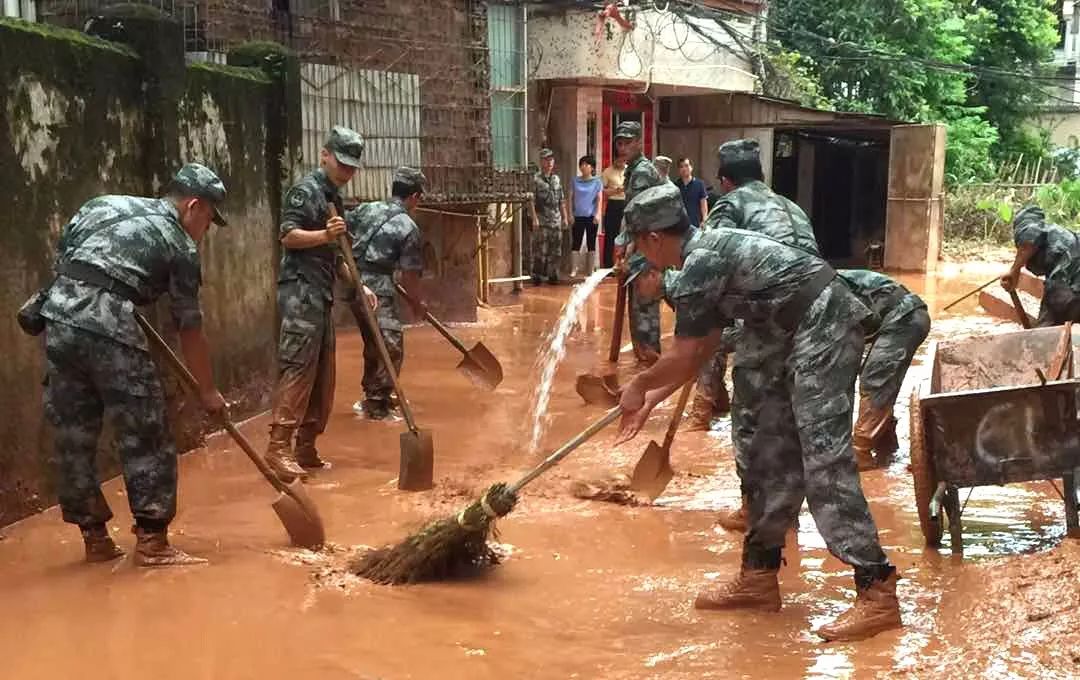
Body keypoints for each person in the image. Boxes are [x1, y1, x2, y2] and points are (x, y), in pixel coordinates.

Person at [616, 182, 900, 642]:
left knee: (823, 460)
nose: (645, 259)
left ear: (652, 238)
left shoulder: (699, 261)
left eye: (639, 246)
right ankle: (758, 578)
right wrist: (652, 396)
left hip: (824, 326)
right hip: (789, 332)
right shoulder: (703, 251)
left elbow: (687, 351)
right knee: (770, 453)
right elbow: (705, 344)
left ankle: (877, 590)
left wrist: (639, 383)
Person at [38, 163, 229, 567]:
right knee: (146, 431)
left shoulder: (102, 205)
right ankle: (153, 541)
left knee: (73, 434)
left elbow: (66, 261)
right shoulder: (180, 244)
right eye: (209, 220)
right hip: (110, 328)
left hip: (58, 320)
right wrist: (208, 391)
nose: (205, 231)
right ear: (193, 206)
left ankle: (94, 538)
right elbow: (189, 326)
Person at [704, 139, 823, 528]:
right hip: (817, 315)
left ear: (725, 181)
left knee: (751, 415)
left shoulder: (731, 204)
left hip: (770, 314)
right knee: (790, 413)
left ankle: (755, 508)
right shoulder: (792, 206)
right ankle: (788, 513)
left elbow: (709, 263)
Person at [265, 126, 373, 482]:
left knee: (323, 376)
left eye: (352, 167)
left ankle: (305, 446)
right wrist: (325, 234)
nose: (347, 172)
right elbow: (288, 236)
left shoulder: (333, 197)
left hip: (322, 293)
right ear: (324, 155)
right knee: (298, 369)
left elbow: (337, 254)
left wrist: (360, 286)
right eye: (341, 163)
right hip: (300, 293)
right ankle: (278, 448)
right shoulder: (305, 192)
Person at [346, 167, 429, 420]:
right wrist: (417, 303)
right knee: (391, 345)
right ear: (413, 196)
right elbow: (410, 275)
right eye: (420, 197)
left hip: (351, 283)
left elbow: (342, 230)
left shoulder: (367, 209)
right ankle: (377, 404)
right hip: (376, 290)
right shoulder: (408, 227)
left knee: (374, 342)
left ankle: (373, 394)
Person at [838, 270, 931, 470]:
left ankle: (860, 451)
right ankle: (886, 446)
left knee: (875, 379)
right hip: (903, 316)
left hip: (906, 317)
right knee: (875, 376)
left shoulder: (821, 292)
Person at [612, 121, 665, 363]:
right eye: (620, 143)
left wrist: (626, 246)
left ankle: (650, 366)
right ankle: (645, 364)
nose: (623, 147)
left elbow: (639, 213)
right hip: (643, 247)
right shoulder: (634, 169)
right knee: (639, 309)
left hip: (648, 250)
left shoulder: (643, 171)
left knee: (644, 310)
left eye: (628, 142)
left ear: (639, 142)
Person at [1001, 206, 1080, 326]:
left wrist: (1014, 270)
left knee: (1046, 329)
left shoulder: (1031, 227)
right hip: (1073, 282)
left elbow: (1030, 238)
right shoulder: (1061, 235)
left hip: (1068, 279)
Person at [530, 148, 570, 284]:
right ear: (541, 162)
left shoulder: (556, 179)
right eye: (546, 160)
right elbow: (531, 200)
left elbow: (561, 200)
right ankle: (537, 275)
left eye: (551, 160)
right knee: (540, 249)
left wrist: (564, 217)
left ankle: (553, 274)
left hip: (556, 219)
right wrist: (534, 218)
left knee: (556, 250)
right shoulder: (535, 179)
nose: (549, 162)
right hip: (542, 219)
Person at [570, 154, 603, 279]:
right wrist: (570, 214)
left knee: (591, 241)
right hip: (577, 215)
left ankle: (590, 270)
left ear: (592, 167)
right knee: (576, 242)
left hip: (591, 216)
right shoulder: (575, 180)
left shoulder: (597, 181)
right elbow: (570, 197)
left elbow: (599, 199)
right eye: (581, 164)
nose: (583, 167)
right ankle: (574, 269)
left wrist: (598, 214)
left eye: (586, 164)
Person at [601, 156, 627, 269]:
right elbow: (603, 191)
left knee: (626, 234)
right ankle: (608, 265)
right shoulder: (607, 172)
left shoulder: (629, 170)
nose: (622, 163)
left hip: (626, 204)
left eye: (624, 160)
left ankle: (624, 264)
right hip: (613, 204)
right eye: (620, 160)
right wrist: (617, 190)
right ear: (614, 159)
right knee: (611, 235)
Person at [675, 158, 709, 228]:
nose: (684, 169)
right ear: (678, 170)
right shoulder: (675, 186)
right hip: (679, 225)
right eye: (681, 166)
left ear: (691, 167)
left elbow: (703, 204)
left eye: (686, 165)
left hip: (695, 224)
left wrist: (704, 220)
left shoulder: (699, 184)